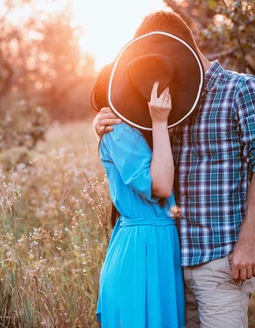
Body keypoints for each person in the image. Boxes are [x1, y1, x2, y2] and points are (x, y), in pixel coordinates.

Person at [94, 11, 255, 328]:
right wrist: (100, 120)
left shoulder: (240, 90)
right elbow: (135, 153)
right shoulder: (163, 102)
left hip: (220, 260)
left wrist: (248, 243)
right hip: (170, 263)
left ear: (177, 48)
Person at [93, 30, 207, 327]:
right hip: (141, 247)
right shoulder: (119, 131)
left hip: (161, 244)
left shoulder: (155, 131)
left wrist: (160, 124)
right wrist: (158, 121)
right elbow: (161, 186)